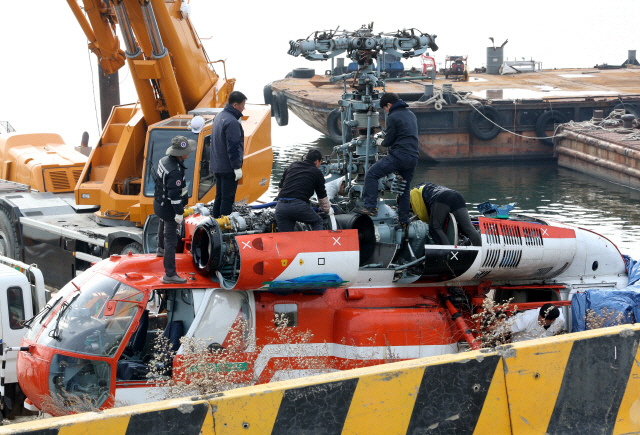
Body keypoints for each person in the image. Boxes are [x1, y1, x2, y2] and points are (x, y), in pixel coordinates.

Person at [358, 92, 419, 226]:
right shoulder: (411, 114)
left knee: (372, 174)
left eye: (385, 108)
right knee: (404, 188)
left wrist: (380, 142)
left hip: (399, 156)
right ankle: (404, 220)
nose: (386, 111)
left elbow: (389, 141)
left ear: (389, 105)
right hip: (413, 157)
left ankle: (370, 207)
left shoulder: (392, 116)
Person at [154, 135, 196, 284]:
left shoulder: (163, 161)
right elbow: (174, 196)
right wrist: (179, 213)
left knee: (162, 224)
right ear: (180, 153)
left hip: (159, 204)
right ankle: (170, 274)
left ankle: (160, 249)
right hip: (169, 208)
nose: (189, 153)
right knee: (171, 239)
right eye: (187, 150)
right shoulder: (175, 171)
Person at [210, 91, 247, 218]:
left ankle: (214, 223)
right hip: (228, 168)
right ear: (235, 104)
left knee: (219, 197)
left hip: (217, 165)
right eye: (243, 105)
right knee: (227, 199)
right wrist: (236, 167)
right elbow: (233, 146)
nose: (244, 108)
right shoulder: (232, 122)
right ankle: (223, 227)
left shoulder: (219, 117)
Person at [276, 149, 332, 232]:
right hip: (298, 206)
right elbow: (321, 195)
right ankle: (316, 244)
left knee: (286, 239)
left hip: (280, 207)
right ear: (317, 161)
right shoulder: (317, 172)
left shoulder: (292, 165)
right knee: (317, 221)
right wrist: (327, 209)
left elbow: (280, 187)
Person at [411, 182, 482, 246]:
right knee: (468, 228)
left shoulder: (413, 192)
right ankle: (481, 251)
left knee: (435, 227)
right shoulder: (429, 186)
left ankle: (448, 255)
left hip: (441, 198)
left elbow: (422, 215)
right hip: (457, 196)